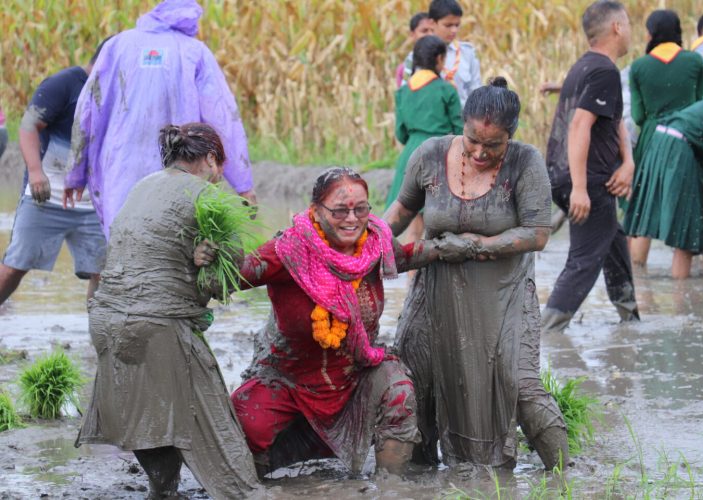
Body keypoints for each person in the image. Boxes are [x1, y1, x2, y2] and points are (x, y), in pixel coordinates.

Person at [384, 78, 570, 469]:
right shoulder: (431, 154)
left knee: (519, 385)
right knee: (414, 378)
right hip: (435, 296)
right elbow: (400, 212)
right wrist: (367, 244)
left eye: (493, 145)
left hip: (503, 296)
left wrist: (474, 246)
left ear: (511, 136)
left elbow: (538, 233)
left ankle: (566, 476)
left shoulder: (525, 162)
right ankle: (413, 476)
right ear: (463, 126)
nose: (480, 152)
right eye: (472, 141)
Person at [232, 167, 463, 476]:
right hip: (292, 378)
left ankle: (389, 488)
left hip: (356, 371)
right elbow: (237, 274)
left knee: (399, 392)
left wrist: (449, 248)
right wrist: (218, 250)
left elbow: (404, 256)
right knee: (243, 422)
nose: (352, 219)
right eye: (340, 210)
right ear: (316, 210)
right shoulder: (288, 251)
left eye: (361, 209)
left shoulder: (374, 243)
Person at [76, 123, 262, 499]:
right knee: (222, 446)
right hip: (157, 326)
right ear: (210, 159)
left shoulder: (143, 185)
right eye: (221, 165)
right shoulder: (210, 200)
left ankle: (163, 490)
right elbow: (221, 285)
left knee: (145, 414)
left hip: (105, 321)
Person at [64, 0, 256, 239]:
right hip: (181, 166)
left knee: (123, 238)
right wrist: (243, 185)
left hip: (120, 166)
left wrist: (75, 174)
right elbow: (223, 119)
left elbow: (88, 112)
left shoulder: (117, 46)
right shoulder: (194, 52)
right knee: (174, 243)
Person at [541, 1, 638, 334]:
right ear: (616, 28)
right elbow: (580, 125)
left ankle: (629, 318)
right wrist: (580, 188)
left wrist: (628, 161)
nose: (630, 31)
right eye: (628, 24)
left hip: (565, 174)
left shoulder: (587, 67)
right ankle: (547, 335)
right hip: (585, 178)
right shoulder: (604, 71)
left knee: (613, 241)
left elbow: (613, 123)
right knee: (584, 261)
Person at [0, 40, 109, 307]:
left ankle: (102, 339)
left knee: (105, 275)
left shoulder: (118, 91)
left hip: (94, 205)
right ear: (107, 60)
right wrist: (36, 173)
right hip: (46, 197)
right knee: (15, 266)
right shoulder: (63, 84)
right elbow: (28, 126)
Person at [626, 10, 703, 267]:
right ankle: (684, 292)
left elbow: (638, 116)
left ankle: (639, 282)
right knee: (690, 208)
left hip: (651, 141)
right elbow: (701, 104)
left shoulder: (639, 66)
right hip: (688, 138)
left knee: (642, 212)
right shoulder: (694, 61)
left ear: (651, 34)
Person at [624, 93, 703, 278]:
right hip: (679, 146)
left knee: (645, 218)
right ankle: (681, 295)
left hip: (661, 139)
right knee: (686, 234)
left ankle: (637, 281)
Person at [388, 35, 463, 245]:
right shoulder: (446, 89)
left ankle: (411, 278)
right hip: (440, 155)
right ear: (439, 59)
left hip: (411, 154)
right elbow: (459, 128)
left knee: (412, 230)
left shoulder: (403, 92)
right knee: (441, 230)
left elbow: (401, 134)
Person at [428, 0, 481, 107]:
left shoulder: (467, 53)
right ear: (432, 23)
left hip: (462, 119)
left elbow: (476, 92)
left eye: (457, 25)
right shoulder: (418, 55)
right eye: (448, 25)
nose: (454, 30)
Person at [396, 12, 436, 88]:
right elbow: (403, 95)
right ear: (412, 34)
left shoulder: (443, 62)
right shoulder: (404, 68)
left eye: (433, 31)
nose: (430, 35)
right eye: (424, 31)